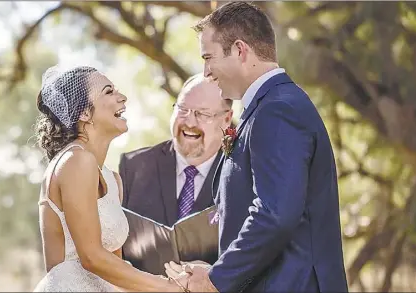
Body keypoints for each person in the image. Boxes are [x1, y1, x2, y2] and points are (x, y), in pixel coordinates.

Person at [165, 2, 348, 292]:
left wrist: (216, 280)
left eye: (208, 57)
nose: (206, 71)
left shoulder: (277, 110)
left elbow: (274, 215)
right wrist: (218, 267)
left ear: (240, 50)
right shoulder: (268, 108)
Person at [32, 65, 184, 292]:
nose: (122, 97)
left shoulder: (113, 180)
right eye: (109, 91)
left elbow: (117, 272)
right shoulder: (75, 160)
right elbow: (91, 257)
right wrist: (170, 289)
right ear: (84, 113)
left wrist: (179, 279)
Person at [119, 74, 232, 272]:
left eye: (202, 114)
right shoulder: (133, 167)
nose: (190, 121)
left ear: (227, 119)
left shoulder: (242, 176)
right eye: (183, 109)